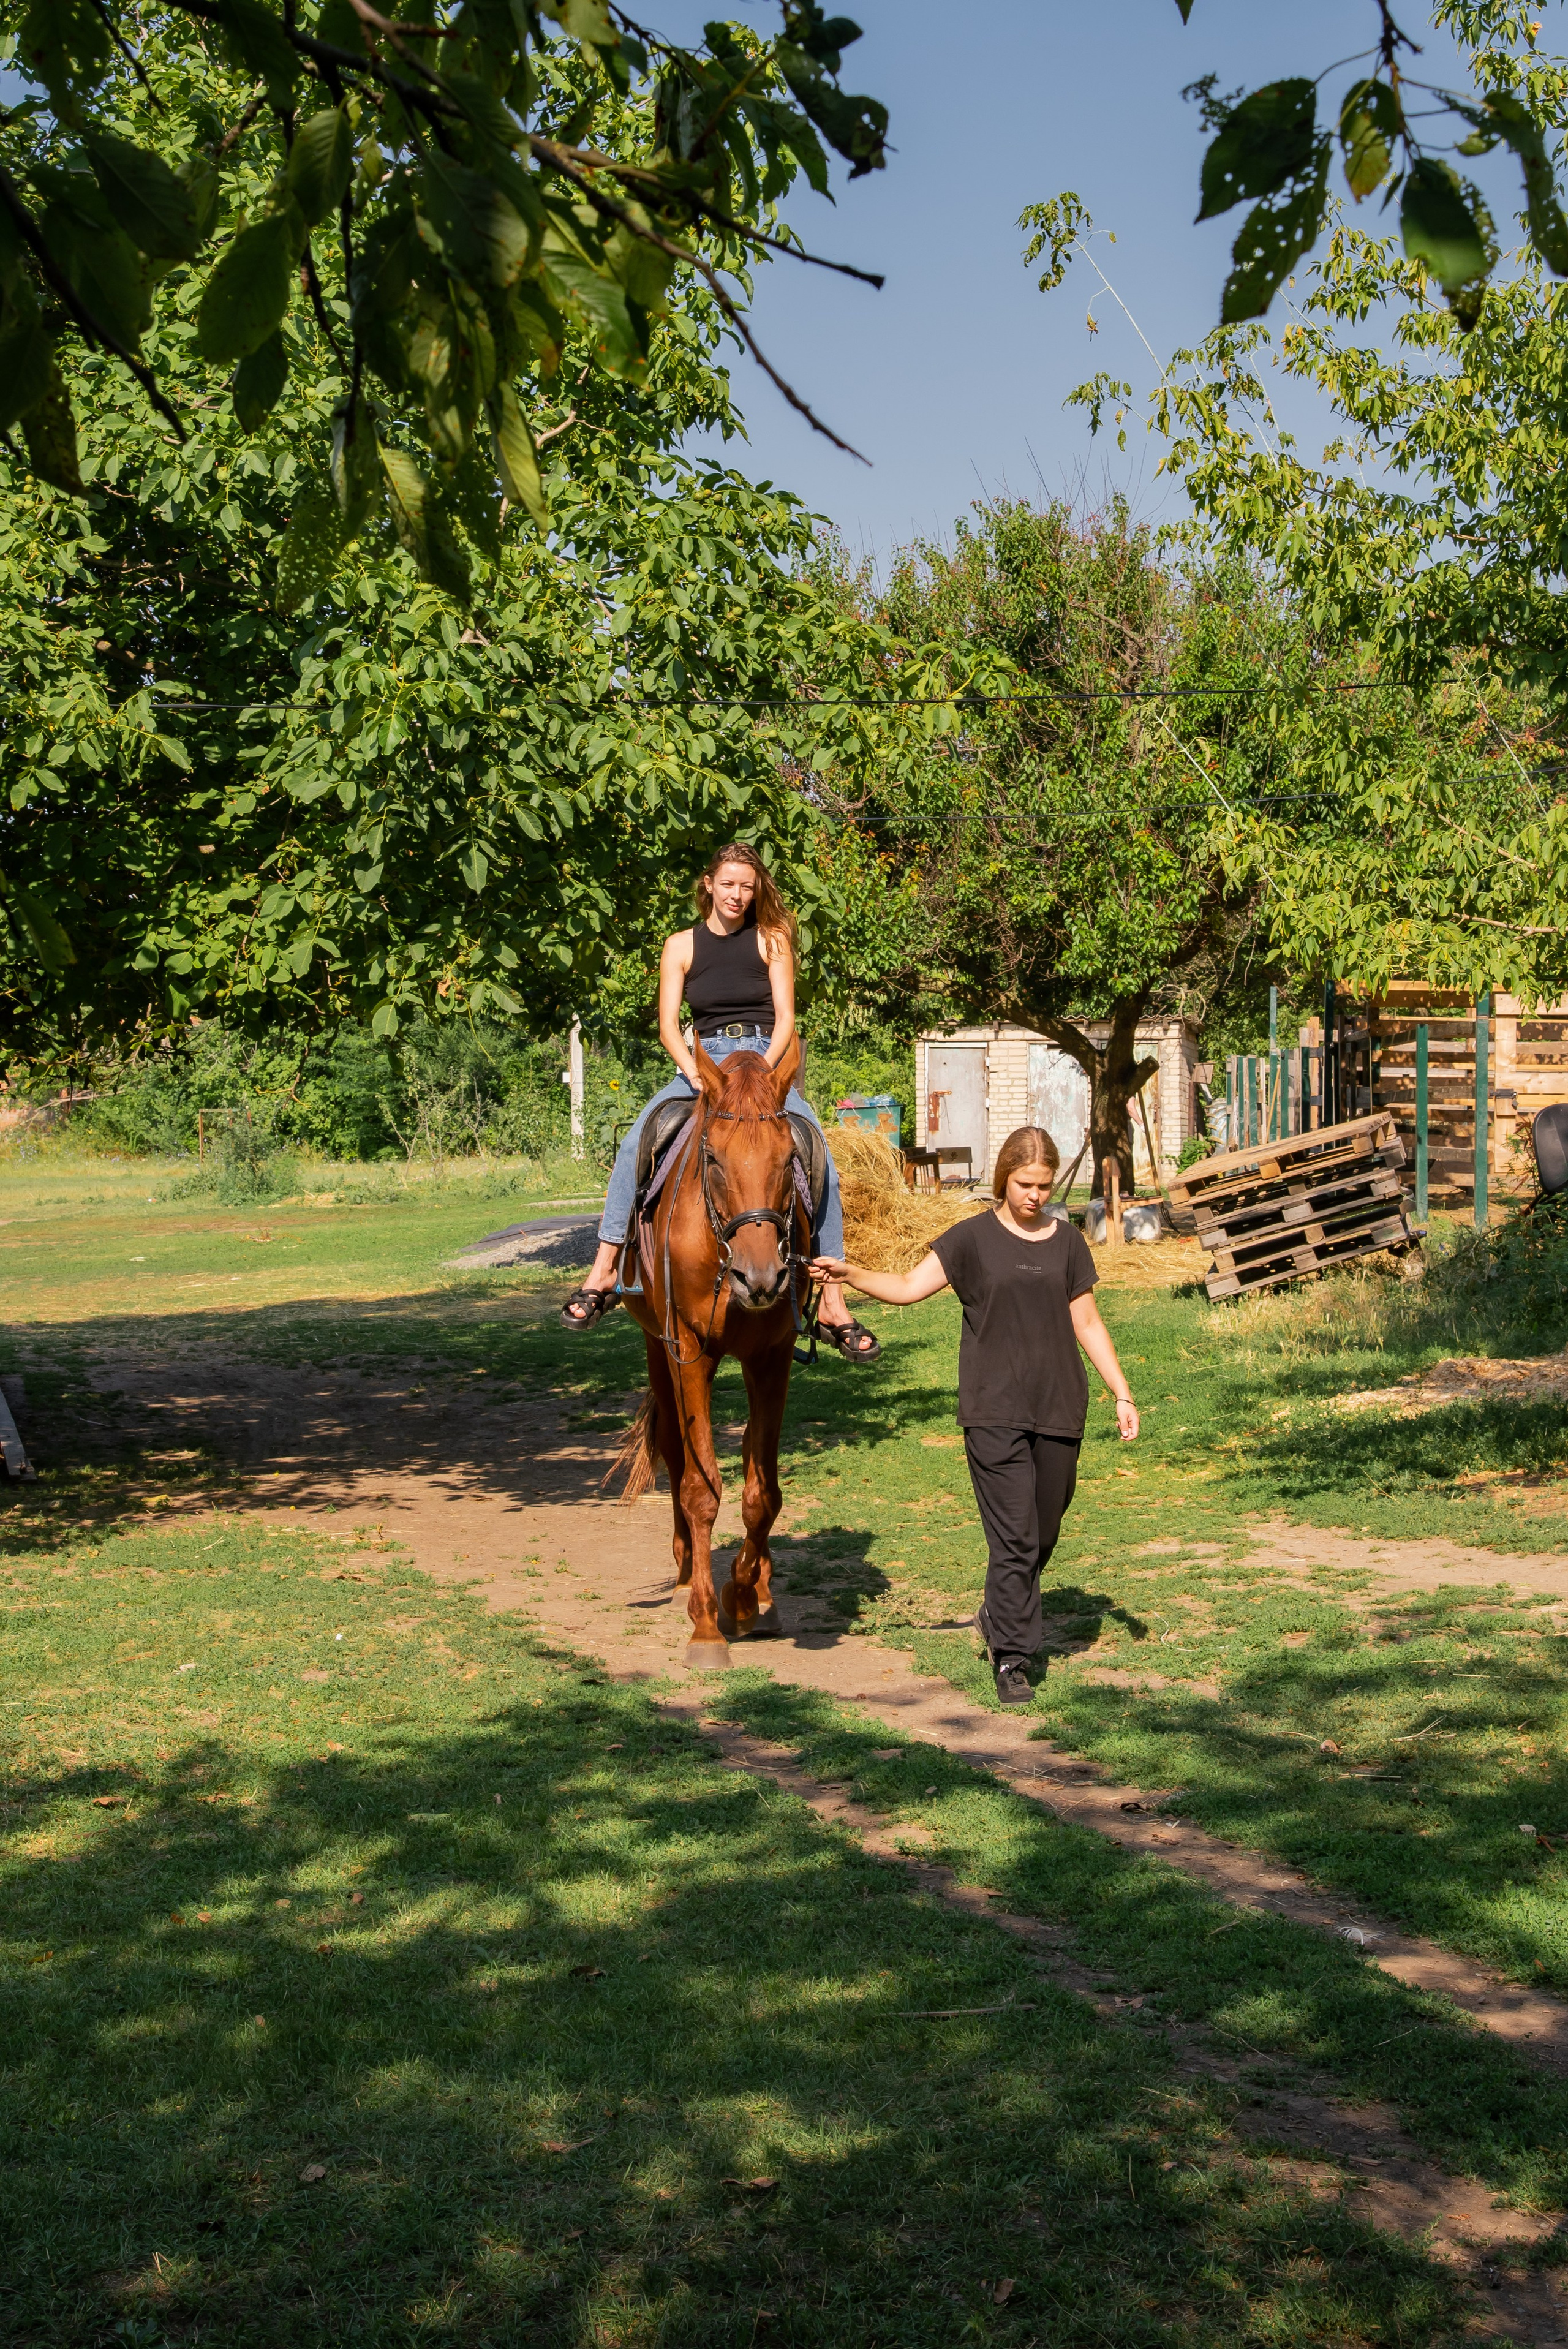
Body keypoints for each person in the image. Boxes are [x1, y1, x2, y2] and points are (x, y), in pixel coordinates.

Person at [810, 1124, 1139, 1706]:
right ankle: (1012, 1656)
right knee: (1013, 1536)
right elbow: (911, 1286)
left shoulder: (1067, 1243)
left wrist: (1122, 1391)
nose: (1034, 1195)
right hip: (993, 1408)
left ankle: (996, 1611)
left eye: (1042, 1185)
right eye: (1023, 1184)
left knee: (1042, 1531)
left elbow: (1087, 1321)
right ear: (1003, 1177)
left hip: (1061, 1403)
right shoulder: (972, 1239)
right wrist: (851, 1274)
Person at [560, 843, 880, 1360]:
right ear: (708, 884)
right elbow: (668, 1025)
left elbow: (786, 1022)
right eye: (728, 883)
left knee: (820, 1153)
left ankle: (833, 1301)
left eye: (747, 886)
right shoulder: (680, 945)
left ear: (757, 891)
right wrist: (696, 1073)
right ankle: (604, 1270)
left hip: (763, 1062)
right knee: (634, 1143)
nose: (737, 894)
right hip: (702, 1064)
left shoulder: (773, 940)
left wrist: (766, 1076)